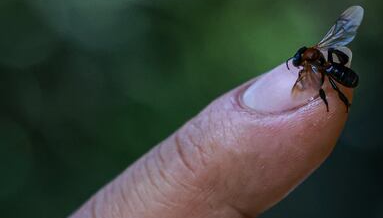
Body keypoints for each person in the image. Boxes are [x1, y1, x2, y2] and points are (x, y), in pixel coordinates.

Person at [70, 58, 353, 218]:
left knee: (329, 92)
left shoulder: (313, 70)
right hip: (333, 76)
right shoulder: (317, 66)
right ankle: (334, 101)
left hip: (333, 78)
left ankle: (334, 101)